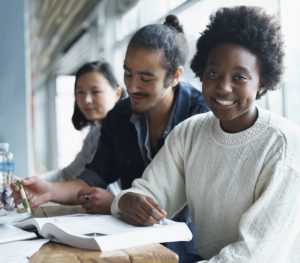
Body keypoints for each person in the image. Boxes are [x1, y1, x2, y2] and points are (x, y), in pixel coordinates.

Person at [11, 14, 208, 262]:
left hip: (188, 249)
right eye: (127, 73)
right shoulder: (120, 115)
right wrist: (48, 191)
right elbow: (92, 176)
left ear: (176, 76)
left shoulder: (201, 117)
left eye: (146, 78)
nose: (133, 87)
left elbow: (195, 205)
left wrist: (118, 202)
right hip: (131, 243)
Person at [111, 6, 300, 262]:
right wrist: (128, 201)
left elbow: (255, 255)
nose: (223, 87)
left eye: (240, 77)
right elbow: (148, 191)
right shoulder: (190, 132)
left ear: (262, 82)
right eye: (213, 73)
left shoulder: (285, 145)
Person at [39, 61, 124, 183]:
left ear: (117, 93)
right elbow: (68, 174)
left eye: (95, 92)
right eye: (80, 92)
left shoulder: (124, 132)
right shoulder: (94, 133)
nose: (87, 100)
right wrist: (28, 183)